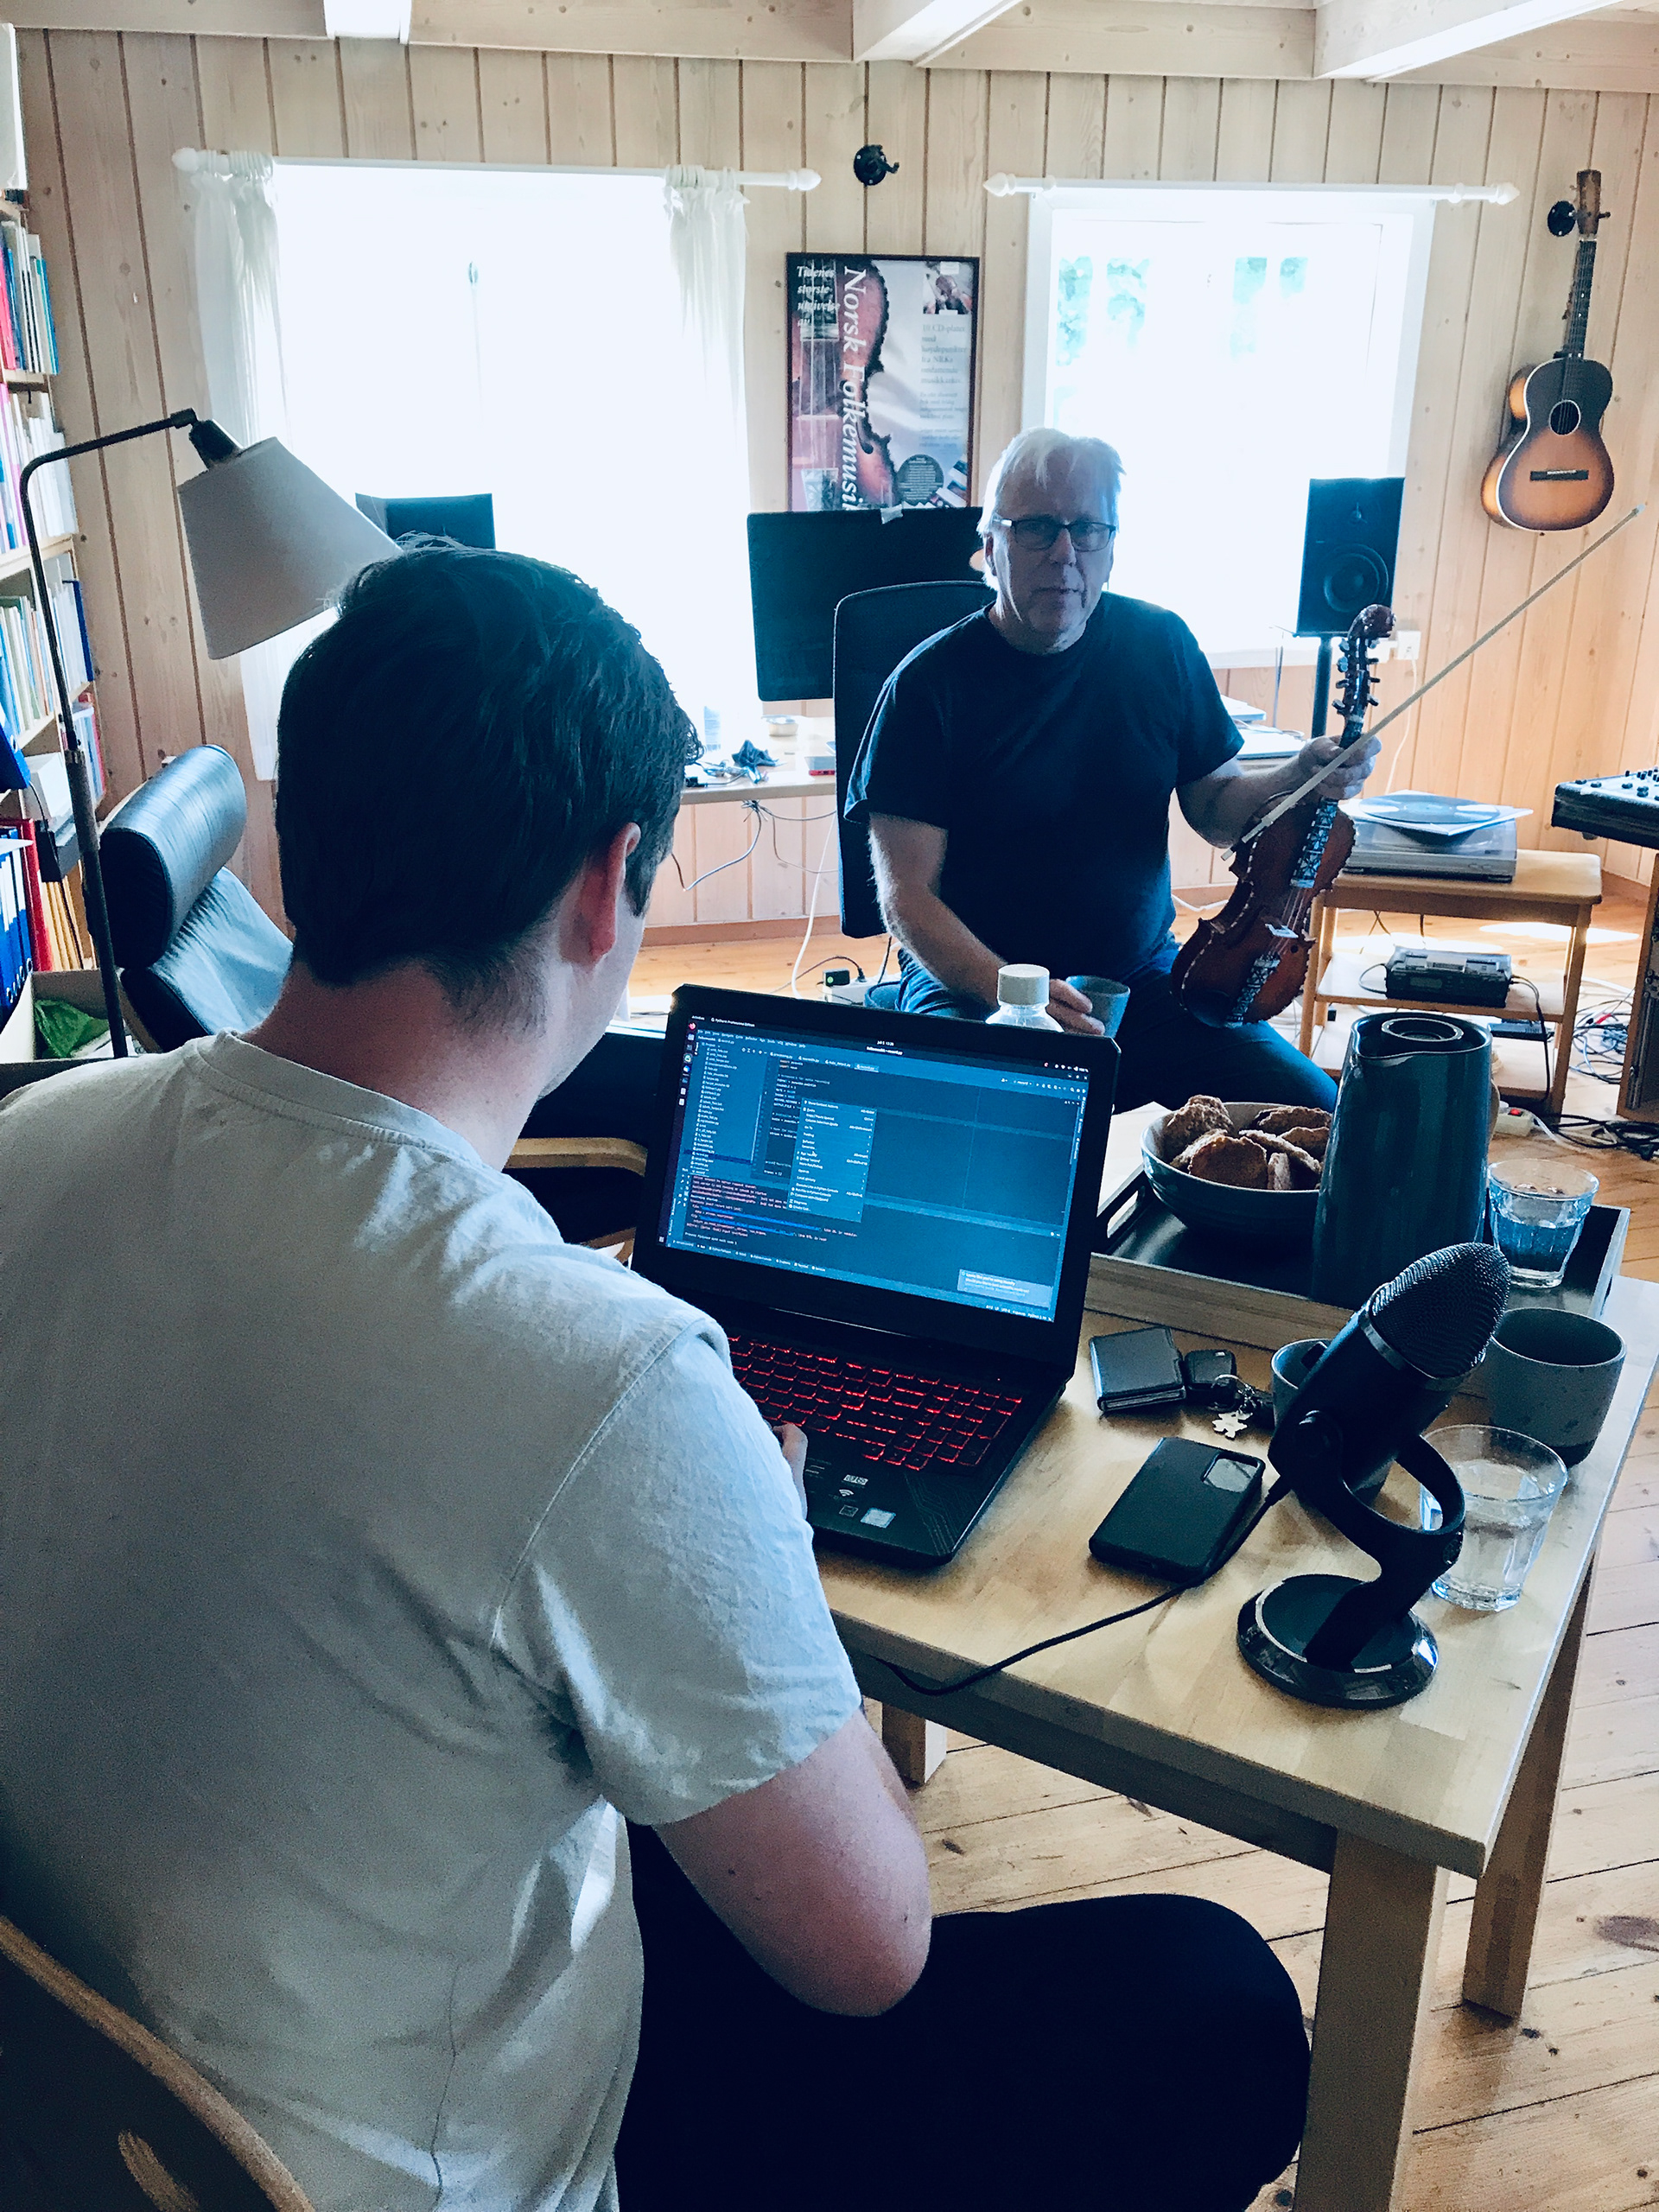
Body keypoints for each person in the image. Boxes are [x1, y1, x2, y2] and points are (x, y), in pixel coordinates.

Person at [0, 545, 1307, 2212]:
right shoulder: (602, 1380)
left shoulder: (31, 1142)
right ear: (610, 883)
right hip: (438, 2172)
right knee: (1216, 2002)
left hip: (85, 2112)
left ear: (293, 826)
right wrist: (755, 1544)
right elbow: (871, 1958)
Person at [845, 427, 1380, 1111]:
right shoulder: (926, 688)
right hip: (976, 986)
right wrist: (1018, 993)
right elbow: (907, 899)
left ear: (1112, 548)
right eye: (1037, 528)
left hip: (1140, 985)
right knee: (969, 1137)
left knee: (1318, 1117)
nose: (1065, 553)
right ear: (991, 547)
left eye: (1088, 529)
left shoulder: (1161, 646)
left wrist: (1295, 778)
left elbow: (1216, 809)